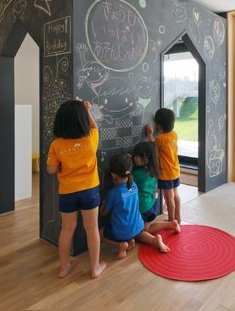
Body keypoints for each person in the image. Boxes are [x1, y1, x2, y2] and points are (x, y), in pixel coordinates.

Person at [46, 99, 106, 279]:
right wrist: (87, 110)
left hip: (67, 192)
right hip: (89, 190)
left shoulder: (56, 145)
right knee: (92, 228)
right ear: (83, 121)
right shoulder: (90, 140)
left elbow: (50, 170)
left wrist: (60, 165)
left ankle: (64, 267)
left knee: (67, 229)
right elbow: (95, 127)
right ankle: (94, 268)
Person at [100, 154, 170, 259]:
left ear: (113, 175)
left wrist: (103, 204)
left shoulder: (113, 193)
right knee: (138, 234)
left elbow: (103, 212)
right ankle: (153, 240)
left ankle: (121, 245)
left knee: (99, 233)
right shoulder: (133, 185)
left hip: (121, 232)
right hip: (138, 226)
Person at [132, 141, 180, 234]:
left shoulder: (137, 174)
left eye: (137, 156)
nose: (134, 158)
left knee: (143, 230)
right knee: (147, 226)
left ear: (146, 159)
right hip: (152, 204)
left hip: (143, 207)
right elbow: (153, 148)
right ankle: (172, 224)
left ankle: (170, 224)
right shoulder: (154, 170)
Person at [146, 108, 181, 224]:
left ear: (159, 126)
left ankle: (171, 220)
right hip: (175, 171)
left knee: (168, 197)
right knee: (175, 194)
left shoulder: (160, 139)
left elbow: (152, 147)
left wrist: (150, 134)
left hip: (165, 173)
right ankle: (178, 217)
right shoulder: (174, 135)